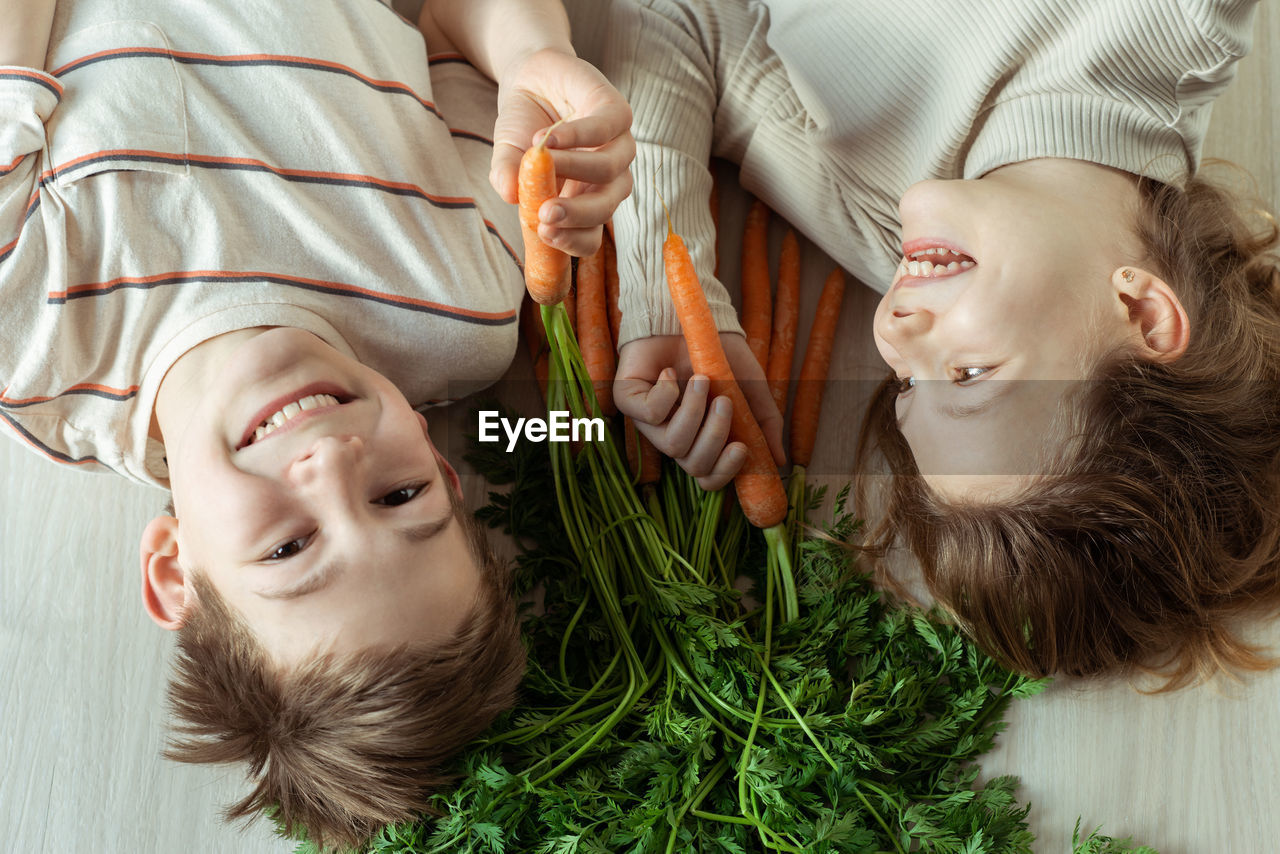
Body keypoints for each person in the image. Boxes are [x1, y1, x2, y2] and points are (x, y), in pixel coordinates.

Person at [1, 0, 632, 847]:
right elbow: (449, 23)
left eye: (289, 549)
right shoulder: (464, 303)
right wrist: (534, 59)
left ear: (174, 572)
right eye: (401, 494)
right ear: (445, 471)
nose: (335, 462)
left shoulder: (30, 333)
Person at [575, 0, 1280, 687]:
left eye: (910, 386)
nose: (895, 331)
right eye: (970, 374)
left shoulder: (891, 231)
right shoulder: (1174, 20)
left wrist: (671, 301)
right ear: (1142, 311)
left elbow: (685, 21)